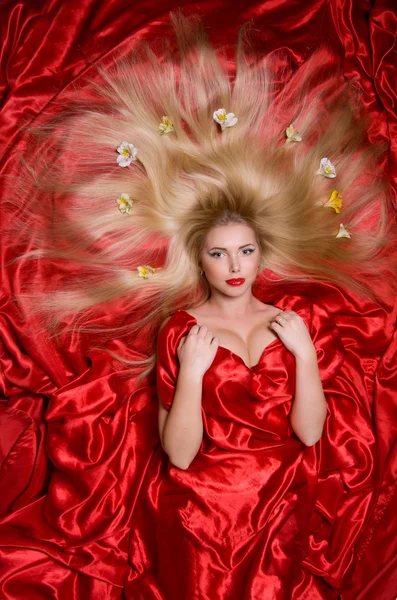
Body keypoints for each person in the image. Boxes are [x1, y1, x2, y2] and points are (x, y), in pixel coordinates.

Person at [1, 10, 396, 600]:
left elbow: (311, 436)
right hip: (195, 516)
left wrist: (305, 357)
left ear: (263, 255)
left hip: (283, 508)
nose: (235, 267)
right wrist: (191, 371)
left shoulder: (293, 323)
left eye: (245, 251)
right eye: (219, 254)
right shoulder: (181, 331)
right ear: (199, 258)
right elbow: (179, 454)